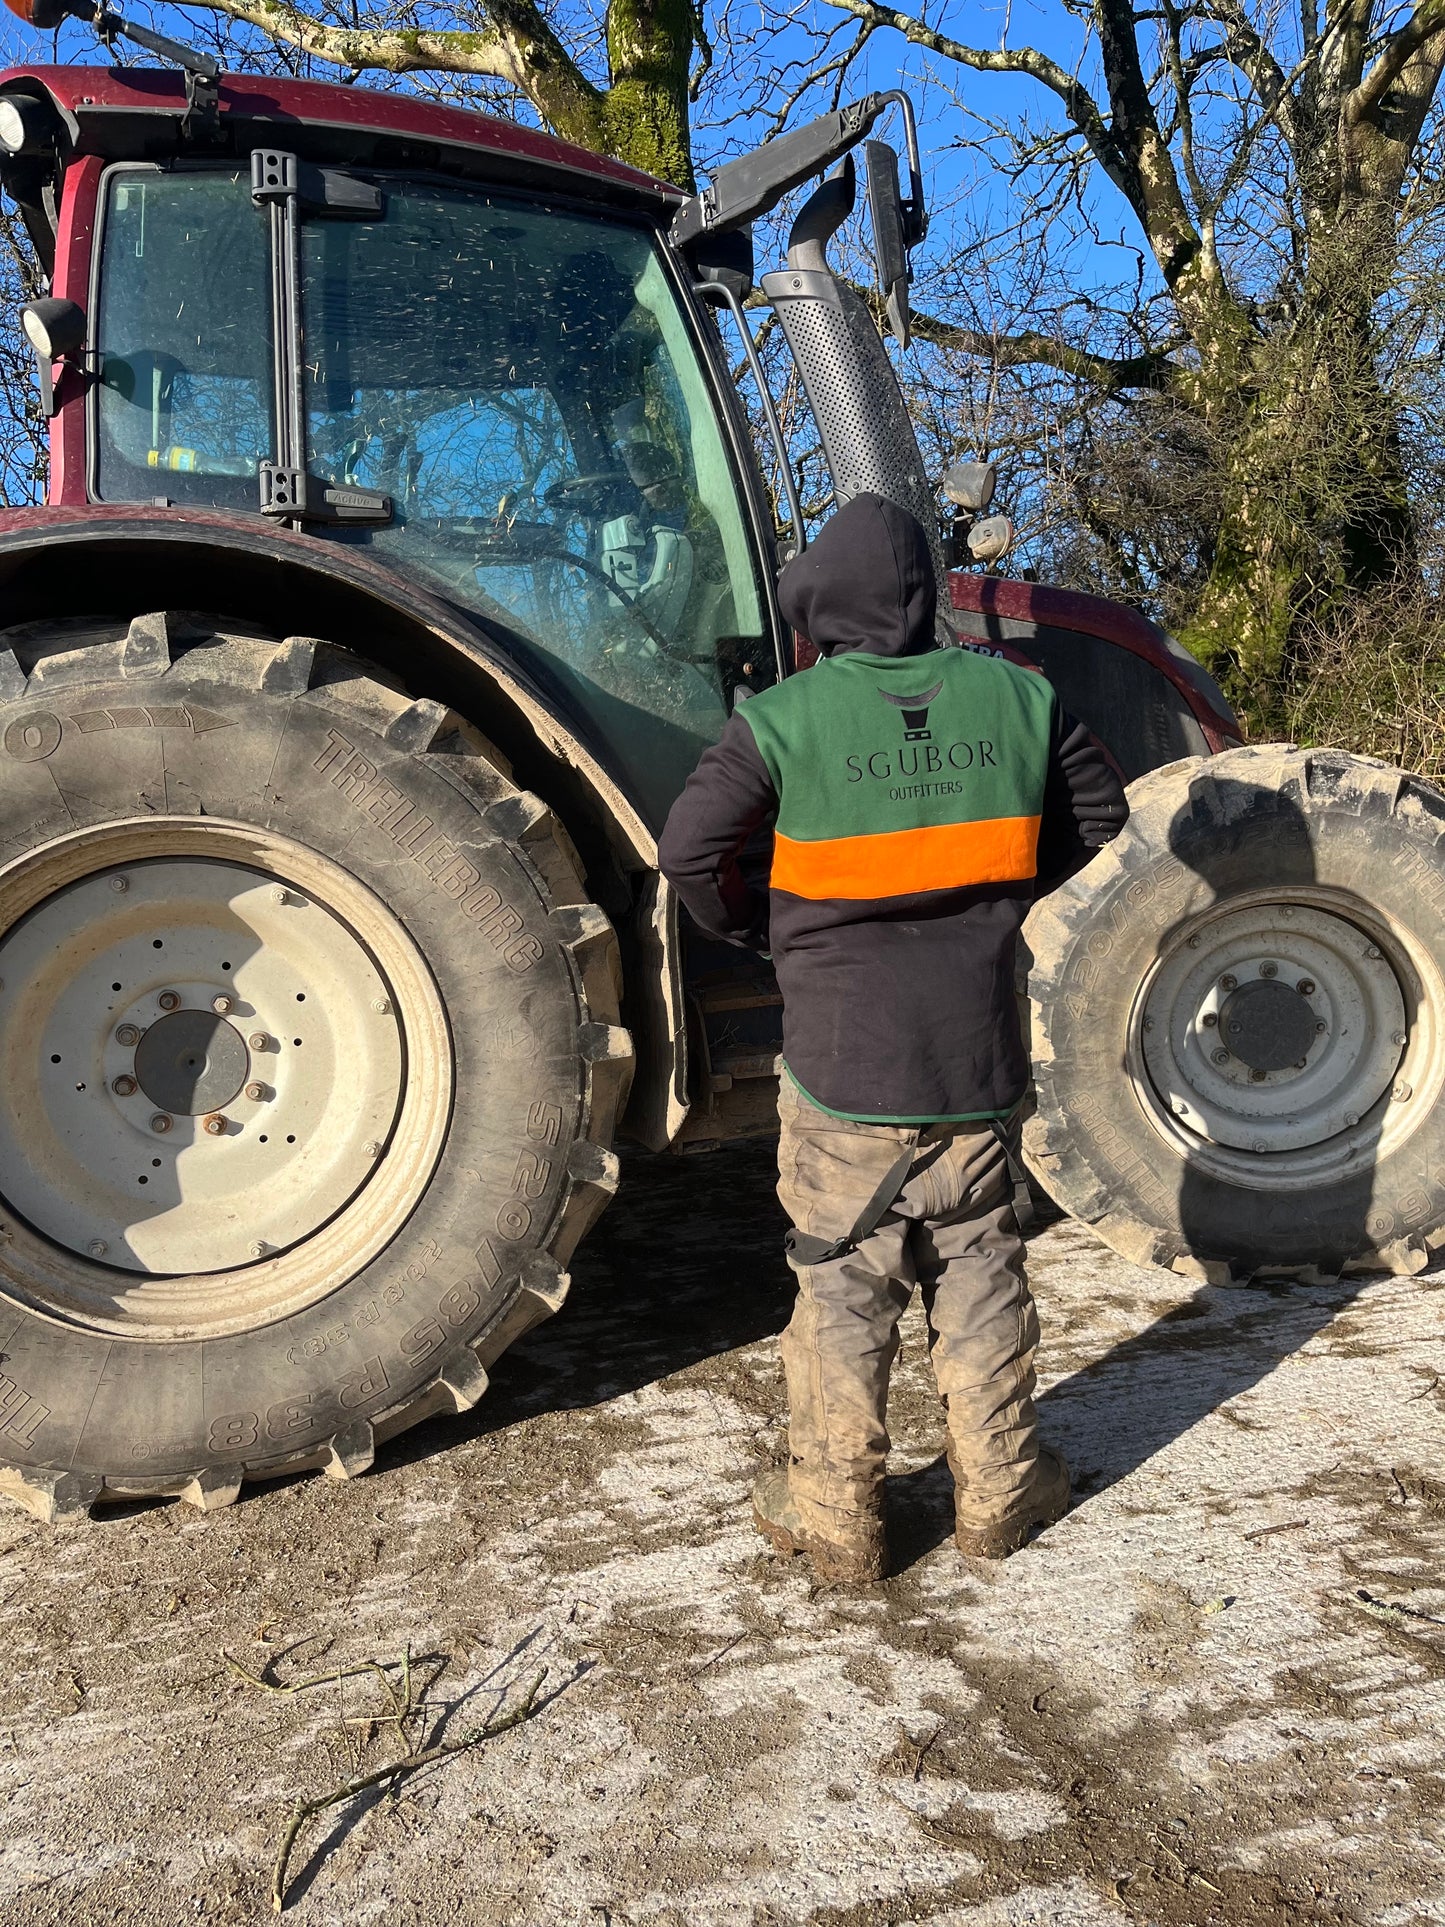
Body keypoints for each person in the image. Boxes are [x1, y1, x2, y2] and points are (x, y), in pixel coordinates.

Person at [657, 492, 1128, 1583]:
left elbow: (690, 855)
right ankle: (1002, 1493)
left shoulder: (780, 719)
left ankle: (836, 1520)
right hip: (973, 1064)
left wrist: (770, 931)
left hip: (838, 1073)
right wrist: (993, 905)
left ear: (819, 599)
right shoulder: (1024, 698)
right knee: (980, 1264)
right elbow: (1099, 823)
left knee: (841, 1277)